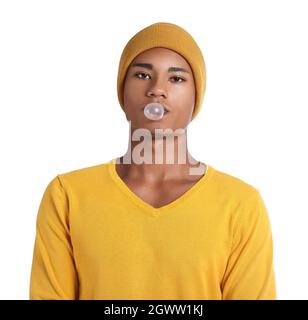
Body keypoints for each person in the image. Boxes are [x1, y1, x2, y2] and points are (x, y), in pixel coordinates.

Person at [29, 22, 276, 300]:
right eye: (143, 74)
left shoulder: (241, 205)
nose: (157, 89)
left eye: (177, 78)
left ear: (197, 97)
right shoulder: (67, 196)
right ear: (123, 91)